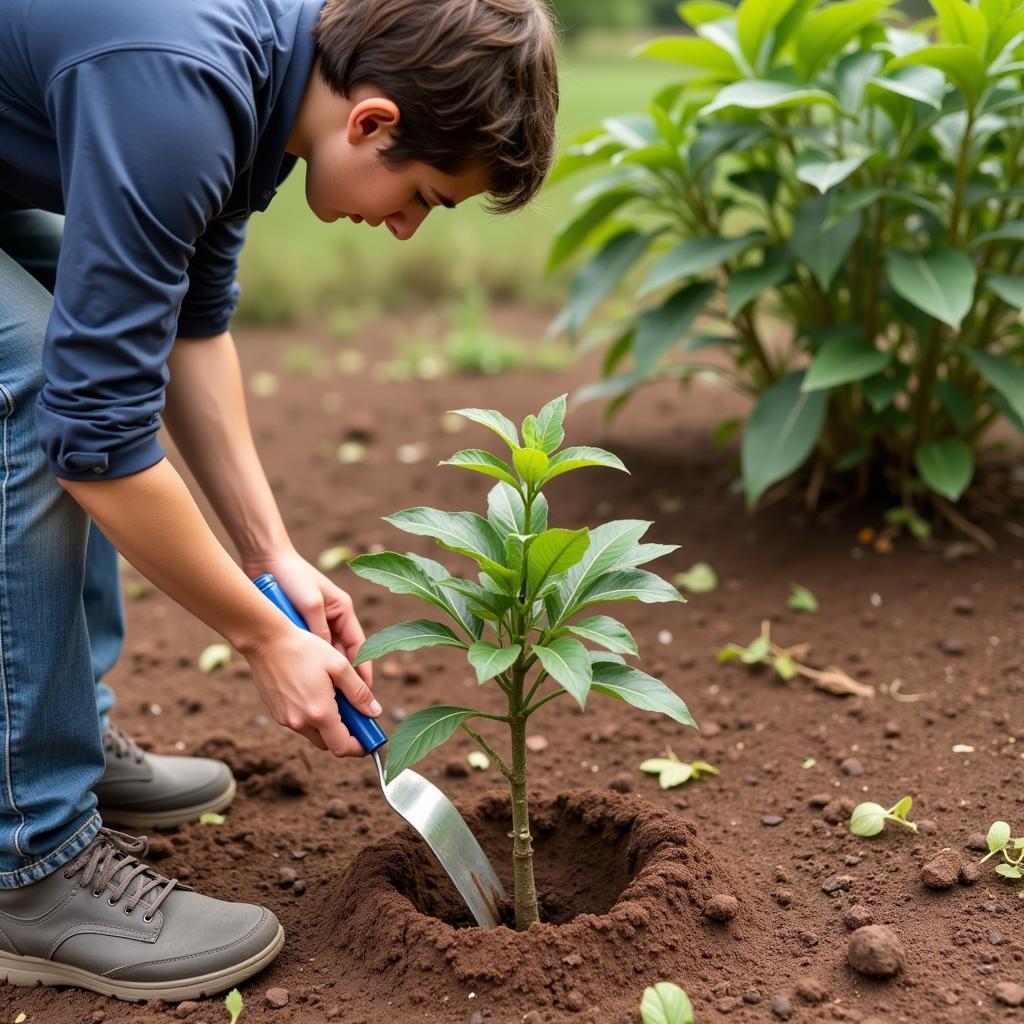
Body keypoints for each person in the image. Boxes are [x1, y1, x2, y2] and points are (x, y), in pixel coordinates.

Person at [0, 0, 559, 1001]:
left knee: (78, 342)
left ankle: (59, 723)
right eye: (423, 195)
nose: (401, 227)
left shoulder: (264, 81)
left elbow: (184, 328)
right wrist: (262, 636)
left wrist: (277, 556)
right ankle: (28, 853)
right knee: (35, 377)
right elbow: (95, 444)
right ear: (372, 122)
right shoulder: (180, 89)